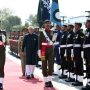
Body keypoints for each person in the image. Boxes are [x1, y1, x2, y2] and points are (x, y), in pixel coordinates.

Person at [38, 20, 54, 87]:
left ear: (50, 25)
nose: (47, 25)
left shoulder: (52, 32)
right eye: (46, 24)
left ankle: (50, 80)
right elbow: (39, 42)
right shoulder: (41, 32)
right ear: (44, 25)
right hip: (43, 51)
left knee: (51, 65)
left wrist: (52, 42)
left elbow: (53, 40)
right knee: (44, 66)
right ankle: (46, 81)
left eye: (49, 24)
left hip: (50, 51)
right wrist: (39, 50)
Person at [82, 20, 90, 90]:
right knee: (87, 67)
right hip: (86, 52)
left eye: (87, 22)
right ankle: (88, 83)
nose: (85, 23)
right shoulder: (86, 31)